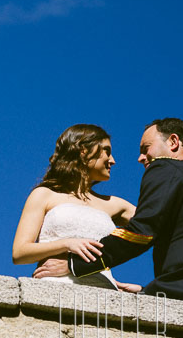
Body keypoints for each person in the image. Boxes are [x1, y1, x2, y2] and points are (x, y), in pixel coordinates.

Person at [34, 117, 183, 311]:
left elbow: (141, 232)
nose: (141, 158)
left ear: (173, 142)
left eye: (146, 149)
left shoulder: (163, 167)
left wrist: (75, 266)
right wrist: (147, 291)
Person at [11, 124, 143, 292]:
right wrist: (67, 244)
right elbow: (20, 252)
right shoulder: (44, 195)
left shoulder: (116, 205)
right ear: (83, 151)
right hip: (55, 289)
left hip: (104, 293)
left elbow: (160, 224)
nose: (113, 160)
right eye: (107, 151)